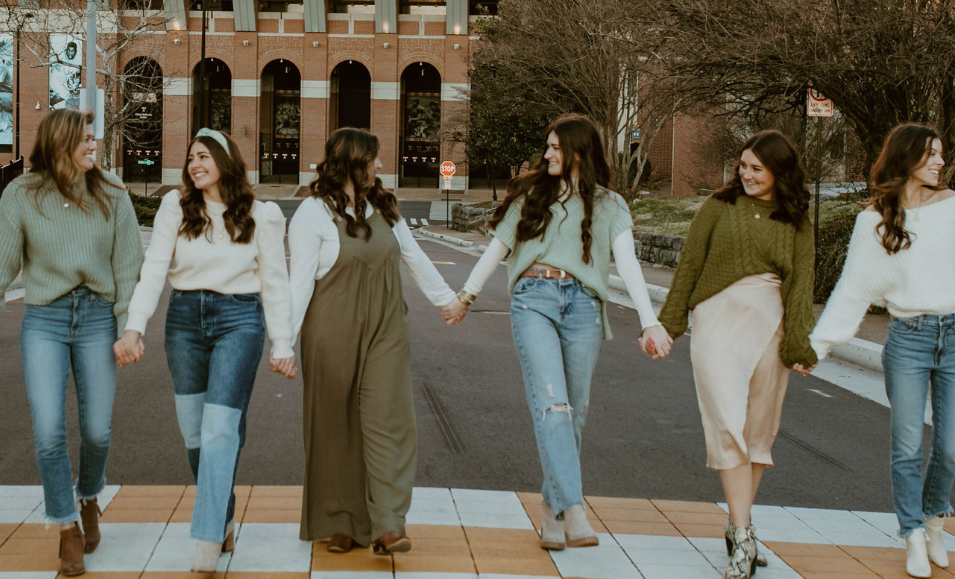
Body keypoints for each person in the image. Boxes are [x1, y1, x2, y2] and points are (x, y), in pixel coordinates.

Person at [442, 114, 669, 551]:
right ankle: (575, 509)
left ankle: (551, 508)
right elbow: (498, 249)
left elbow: (629, 266)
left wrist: (649, 319)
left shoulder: (610, 205)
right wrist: (465, 297)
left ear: (579, 152)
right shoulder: (529, 195)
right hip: (533, 300)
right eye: (546, 146)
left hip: (584, 306)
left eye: (555, 147)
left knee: (574, 411)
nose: (547, 154)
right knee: (553, 406)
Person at [811, 124, 955, 578]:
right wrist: (818, 347)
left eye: (941, 153)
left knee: (951, 447)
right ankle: (912, 533)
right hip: (908, 339)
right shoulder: (873, 221)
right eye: (932, 154)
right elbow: (853, 289)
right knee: (906, 445)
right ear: (906, 158)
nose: (940, 162)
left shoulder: (954, 207)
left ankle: (935, 518)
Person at [0, 108, 142, 576]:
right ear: (60, 144)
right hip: (45, 317)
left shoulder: (113, 192)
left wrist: (127, 327)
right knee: (47, 432)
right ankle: (66, 529)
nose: (93, 147)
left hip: (98, 316)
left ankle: (89, 496)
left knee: (97, 431)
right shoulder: (22, 194)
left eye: (94, 140)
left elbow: (127, 269)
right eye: (84, 140)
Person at [114, 128, 295, 572]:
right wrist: (134, 328)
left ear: (225, 160)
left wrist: (283, 343)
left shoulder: (260, 214)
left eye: (204, 156)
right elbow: (154, 268)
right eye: (191, 157)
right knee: (197, 434)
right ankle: (224, 513)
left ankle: (207, 540)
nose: (195, 164)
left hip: (239, 320)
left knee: (218, 430)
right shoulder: (175, 207)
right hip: (183, 321)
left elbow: (274, 281)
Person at [290, 128, 456, 555]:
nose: (380, 166)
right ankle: (341, 521)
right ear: (353, 161)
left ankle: (387, 522)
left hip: (386, 328)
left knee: (390, 422)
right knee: (335, 426)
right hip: (330, 330)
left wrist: (447, 300)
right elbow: (299, 284)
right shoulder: (312, 212)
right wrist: (282, 343)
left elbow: (414, 257)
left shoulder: (385, 207)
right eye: (374, 159)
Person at [660, 130, 817, 579]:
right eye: (742, 166)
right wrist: (669, 324)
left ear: (779, 173)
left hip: (771, 327)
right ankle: (745, 538)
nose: (746, 174)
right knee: (726, 423)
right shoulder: (717, 207)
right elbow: (689, 264)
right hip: (716, 324)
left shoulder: (797, 222)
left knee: (757, 433)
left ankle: (737, 524)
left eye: (757, 168)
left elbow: (801, 289)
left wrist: (799, 344)